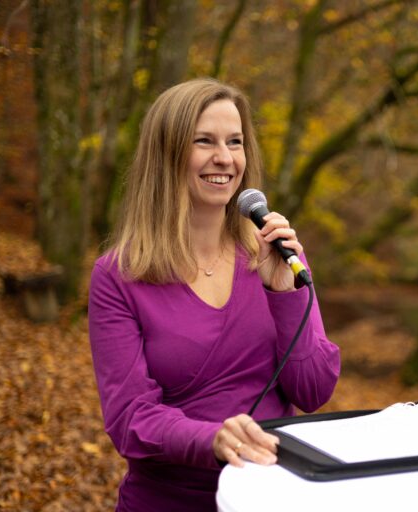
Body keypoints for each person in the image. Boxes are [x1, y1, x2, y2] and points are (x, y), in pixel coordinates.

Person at [87, 77, 341, 511]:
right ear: (166, 155)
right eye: (204, 141)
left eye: (235, 142)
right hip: (170, 500)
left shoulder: (276, 252)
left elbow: (314, 390)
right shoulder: (118, 276)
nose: (224, 158)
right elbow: (129, 419)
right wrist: (214, 439)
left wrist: (284, 293)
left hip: (271, 495)